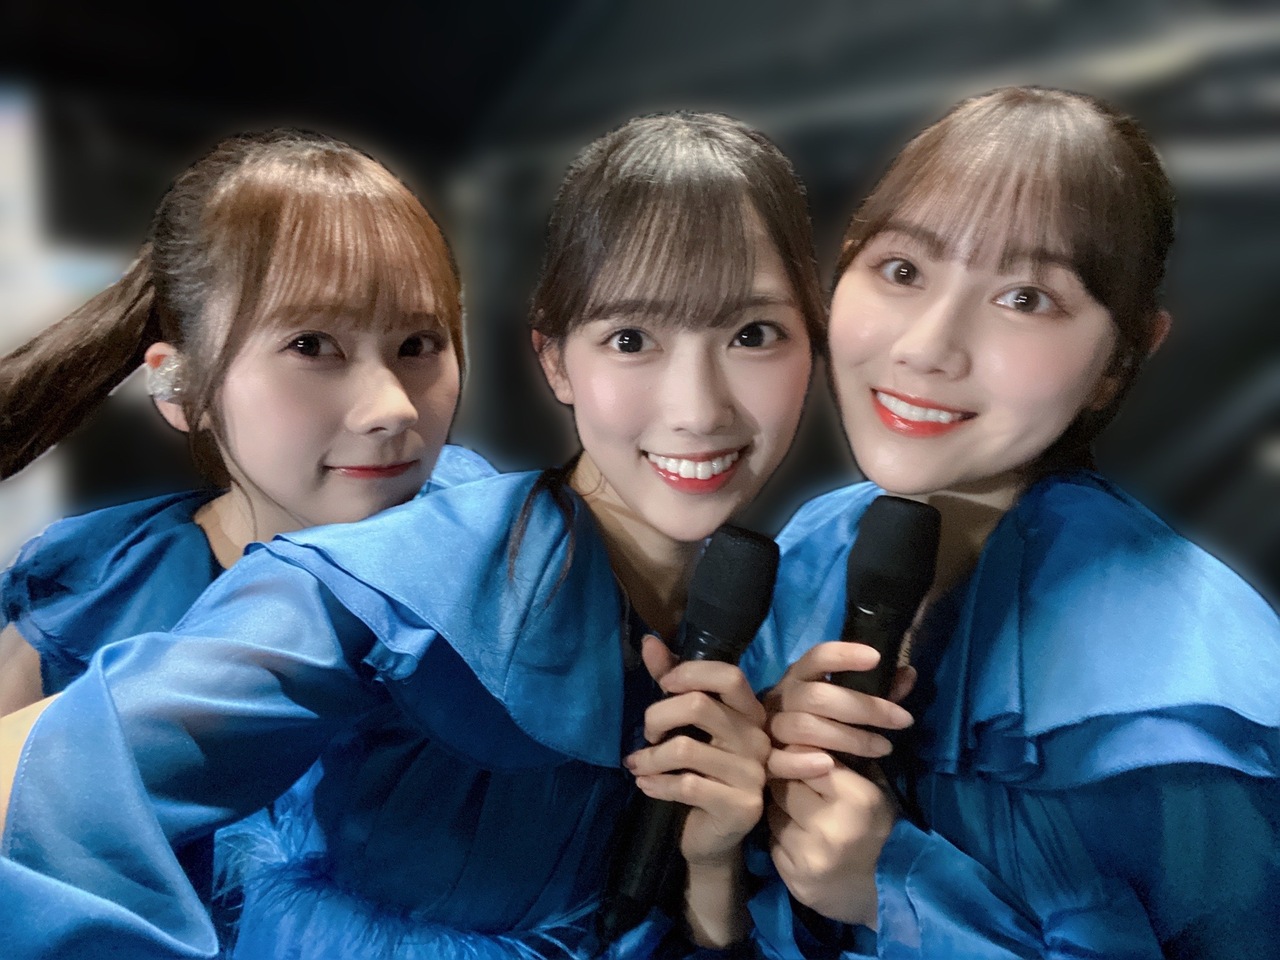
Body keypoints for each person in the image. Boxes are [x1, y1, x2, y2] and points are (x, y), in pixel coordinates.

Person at [0, 111, 827, 959]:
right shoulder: (379, 581)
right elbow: (47, 784)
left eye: (753, 334)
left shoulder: (784, 589)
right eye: (631, 339)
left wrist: (714, 870)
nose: (697, 409)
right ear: (554, 357)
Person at [741, 86, 1280, 959]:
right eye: (902, 270)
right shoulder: (811, 547)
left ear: (1123, 357)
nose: (927, 347)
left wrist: (898, 891)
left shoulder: (1184, 704)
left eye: (1026, 298)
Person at [0, 128, 490, 719]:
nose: (394, 408)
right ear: (182, 387)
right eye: (311, 345)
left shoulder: (515, 545)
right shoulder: (91, 603)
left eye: (418, 344)